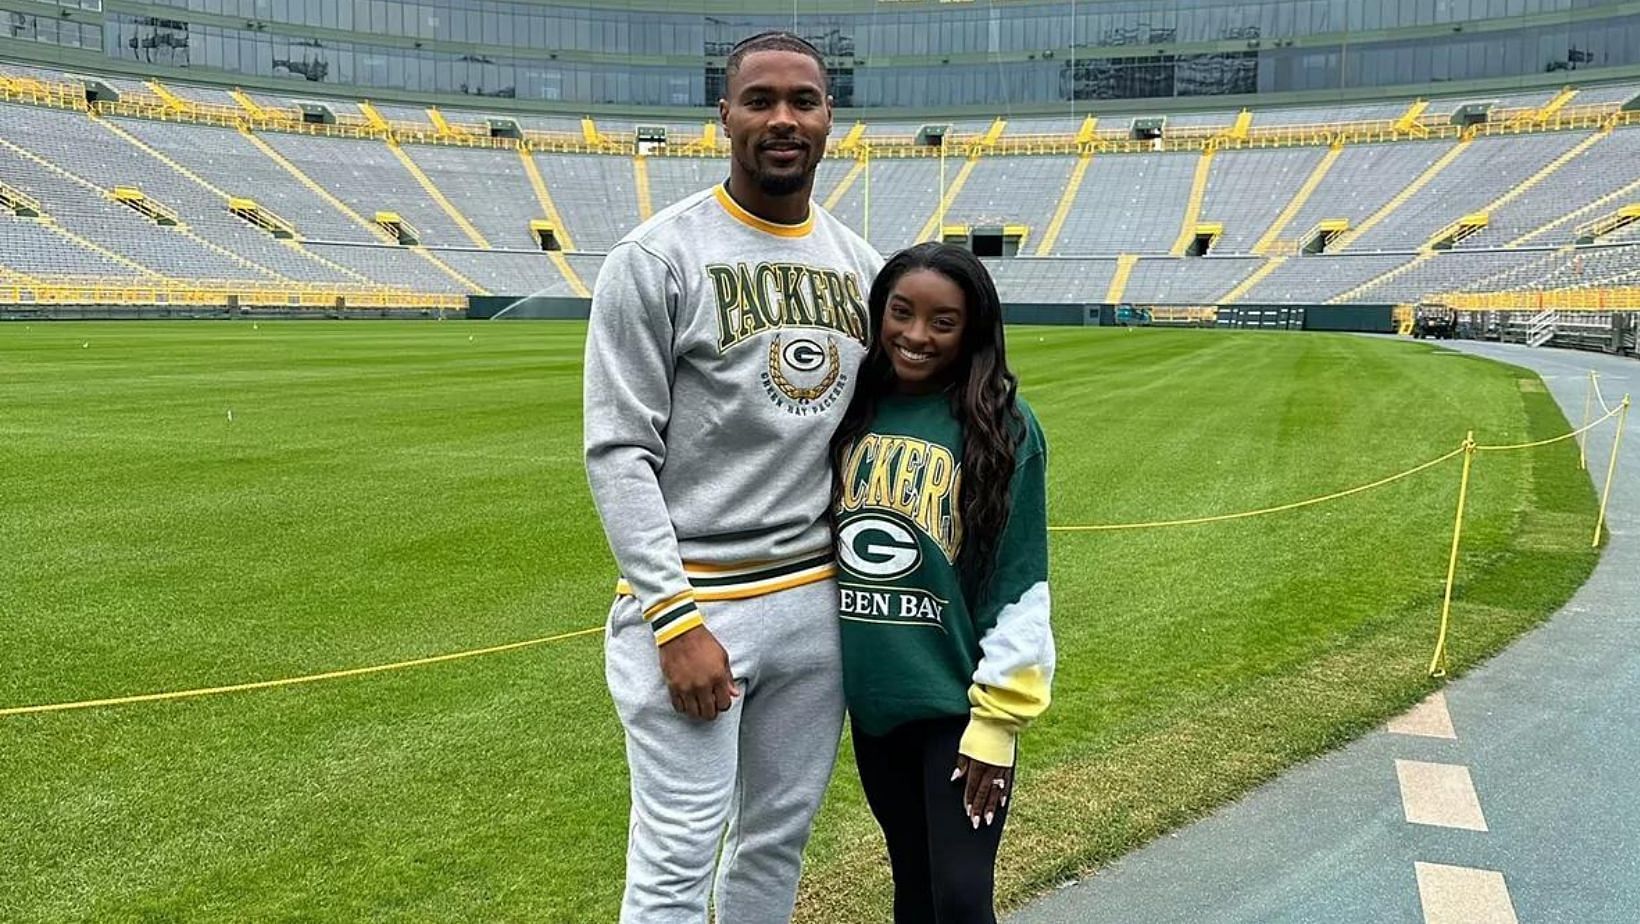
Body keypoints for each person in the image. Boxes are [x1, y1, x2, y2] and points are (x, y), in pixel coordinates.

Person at [582, 30, 883, 924]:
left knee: (775, 849)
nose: (783, 119)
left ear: (831, 120)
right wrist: (674, 621)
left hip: (817, 605)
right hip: (699, 604)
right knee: (677, 858)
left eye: (804, 101)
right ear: (725, 116)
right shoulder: (656, 257)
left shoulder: (863, 269)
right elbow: (617, 450)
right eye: (761, 101)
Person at [829, 242, 1055, 924]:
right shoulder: (854, 413)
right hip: (877, 705)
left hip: (959, 708)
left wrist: (997, 722)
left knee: (960, 900)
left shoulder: (1006, 429)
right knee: (914, 886)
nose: (916, 335)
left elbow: (1021, 583)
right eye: (901, 312)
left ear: (973, 329)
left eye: (943, 321)